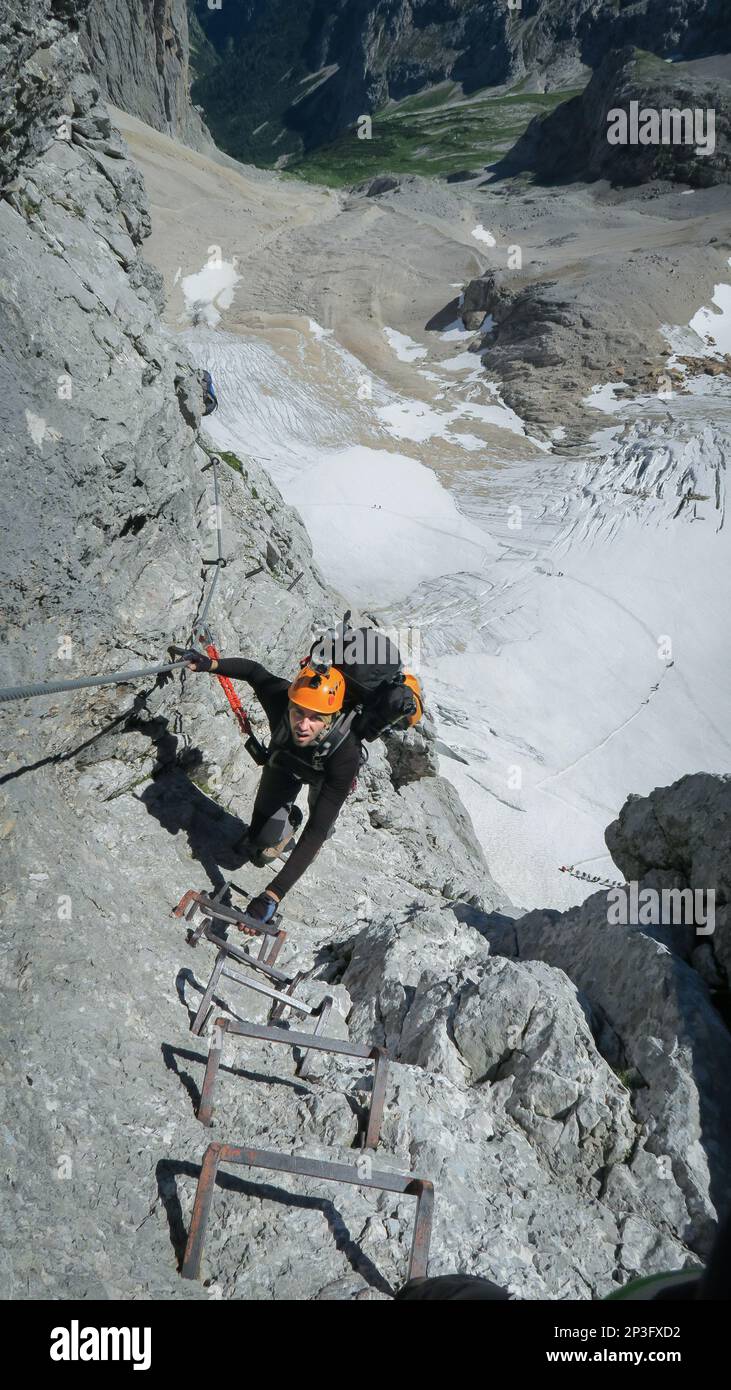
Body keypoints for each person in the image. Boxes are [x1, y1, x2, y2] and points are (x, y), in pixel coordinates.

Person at [181, 648, 362, 928]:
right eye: (298, 713)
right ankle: (286, 823)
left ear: (330, 718)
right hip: (285, 763)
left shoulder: (345, 753)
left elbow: (315, 831)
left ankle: (292, 820)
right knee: (257, 846)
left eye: (315, 717)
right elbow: (254, 672)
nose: (303, 725)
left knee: (322, 826)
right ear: (290, 704)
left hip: (324, 776)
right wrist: (211, 664)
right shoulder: (281, 697)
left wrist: (272, 894)